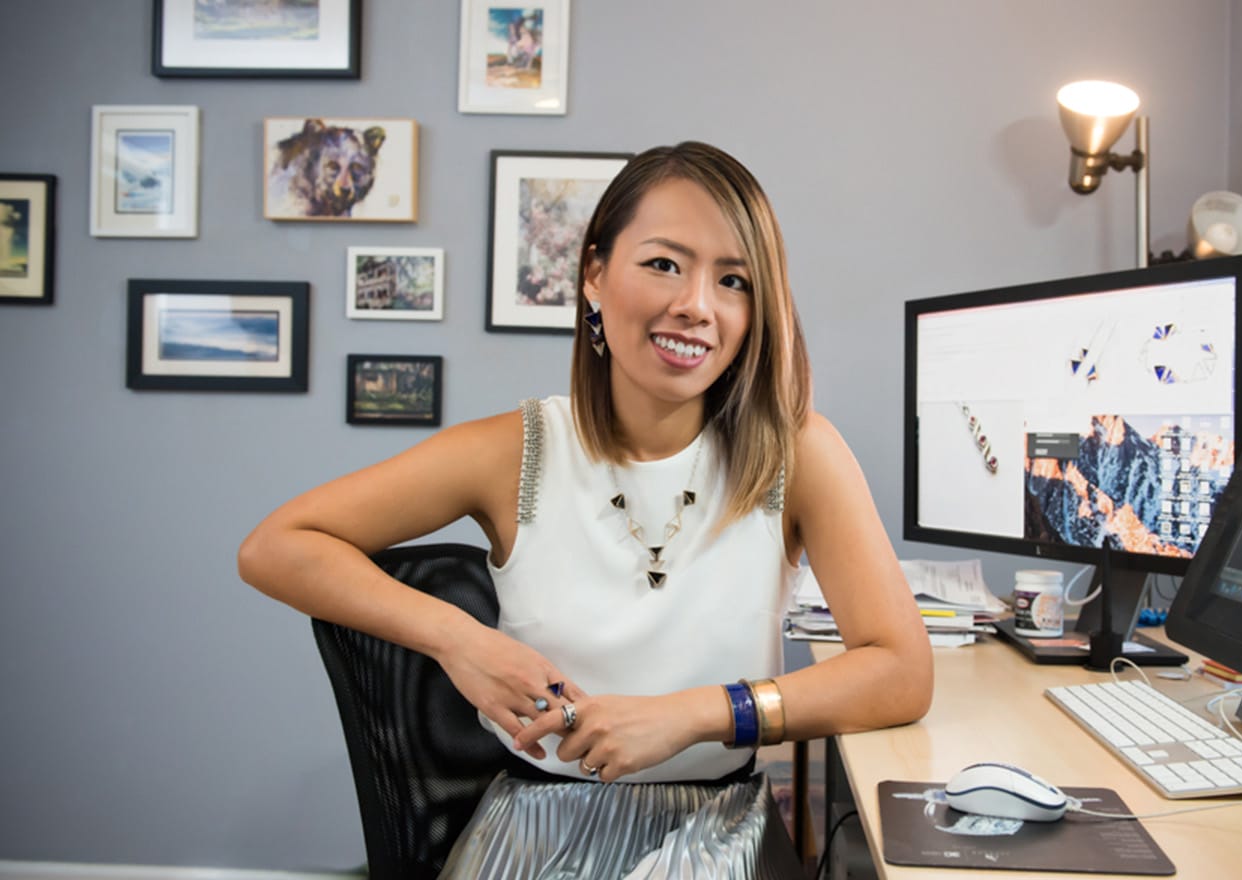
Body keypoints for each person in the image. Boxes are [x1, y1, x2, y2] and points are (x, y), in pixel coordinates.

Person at [238, 141, 933, 877]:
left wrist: (695, 714)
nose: (696, 305)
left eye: (734, 280)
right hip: (535, 833)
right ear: (594, 275)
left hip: (719, 831)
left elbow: (901, 671)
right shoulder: (515, 450)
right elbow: (278, 544)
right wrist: (457, 639)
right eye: (664, 263)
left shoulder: (798, 453)